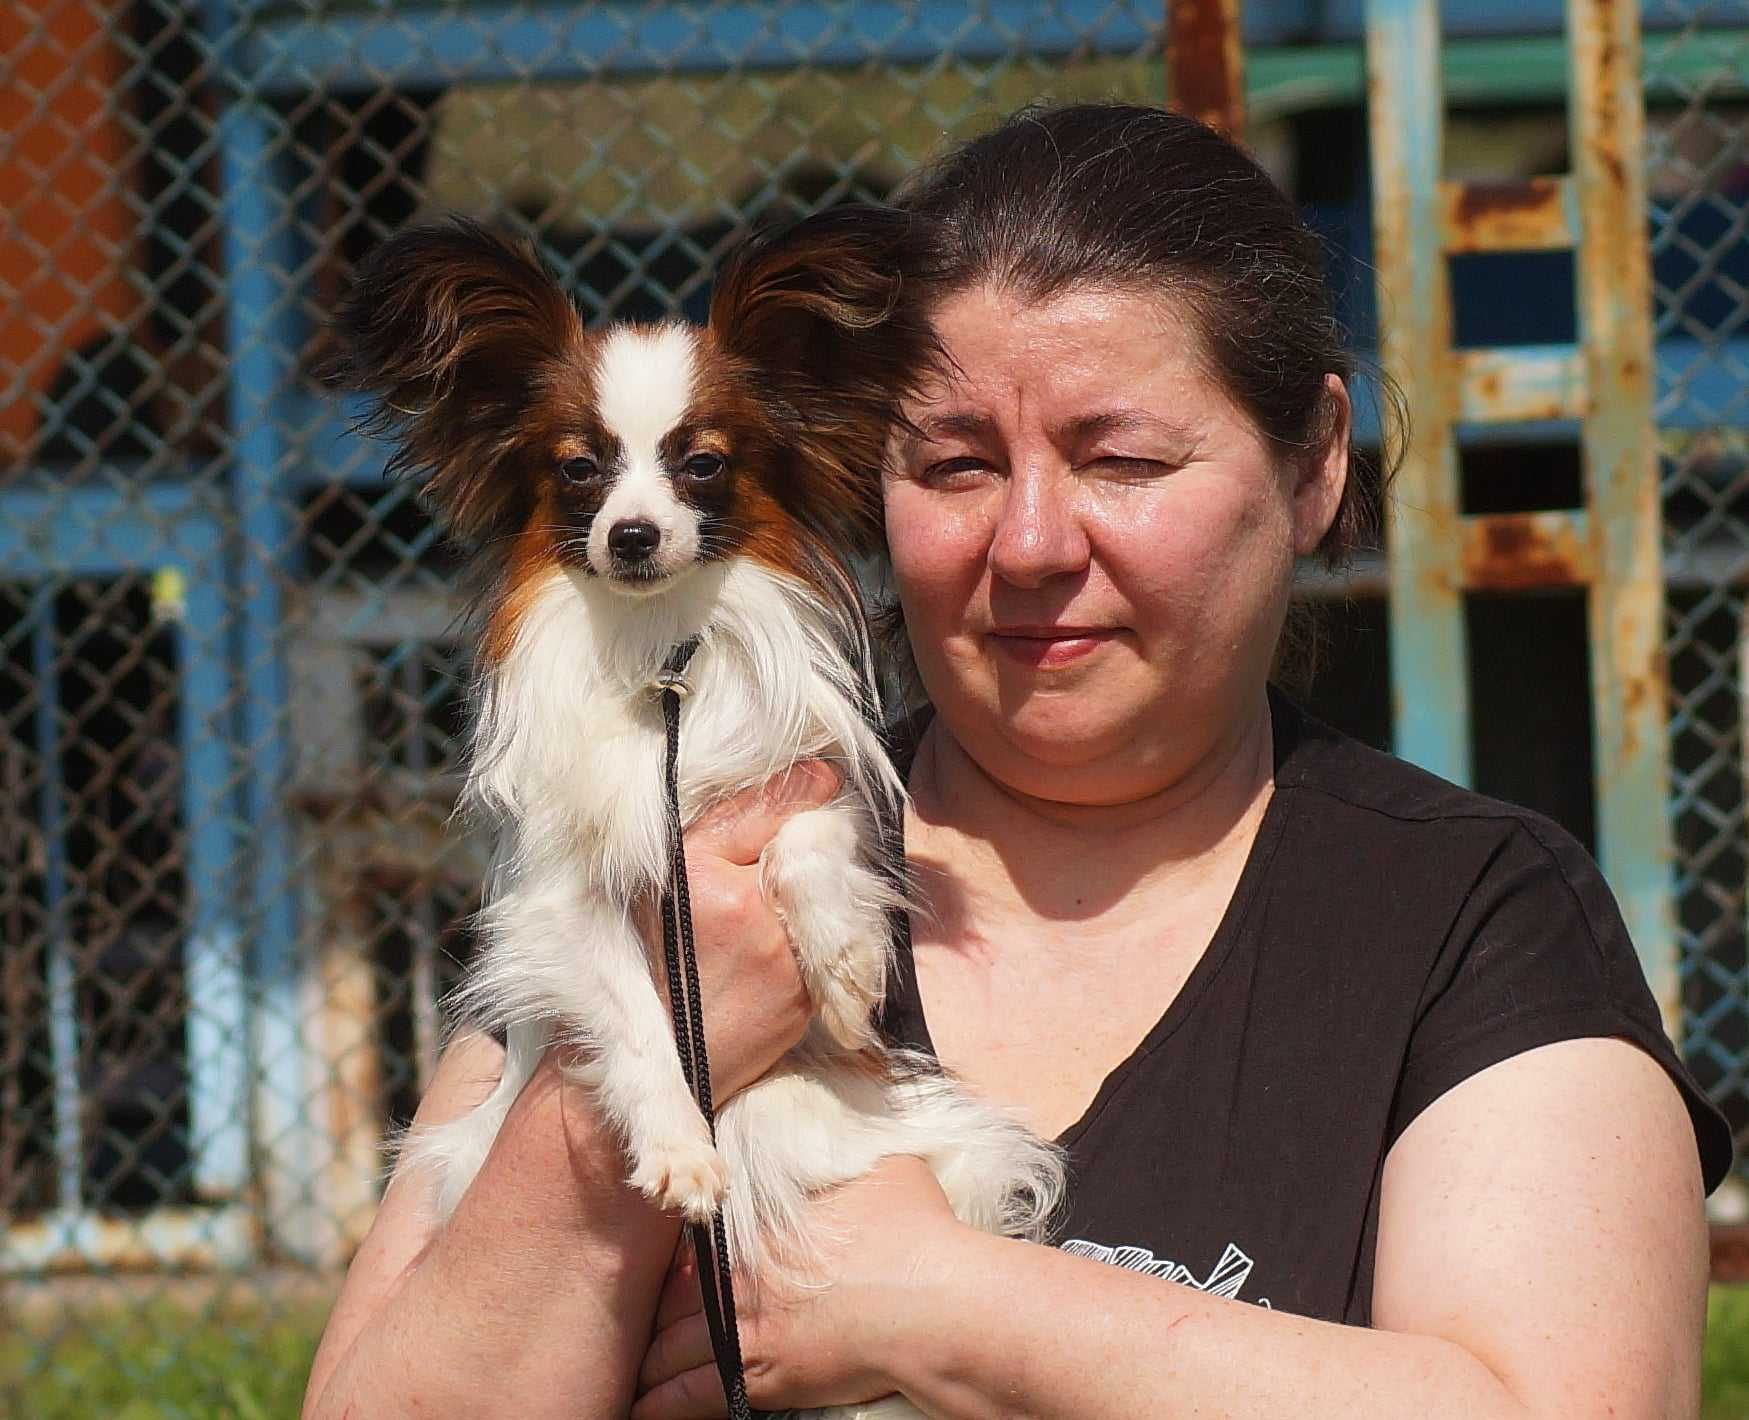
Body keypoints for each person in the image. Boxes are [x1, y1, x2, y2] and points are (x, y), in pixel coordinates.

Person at [302, 103, 1733, 1420]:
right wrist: (632, 1076)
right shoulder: (686, 850)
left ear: (1313, 468)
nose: (1034, 545)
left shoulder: (1460, 916)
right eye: (958, 466)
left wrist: (945, 1306)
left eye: (1122, 461)